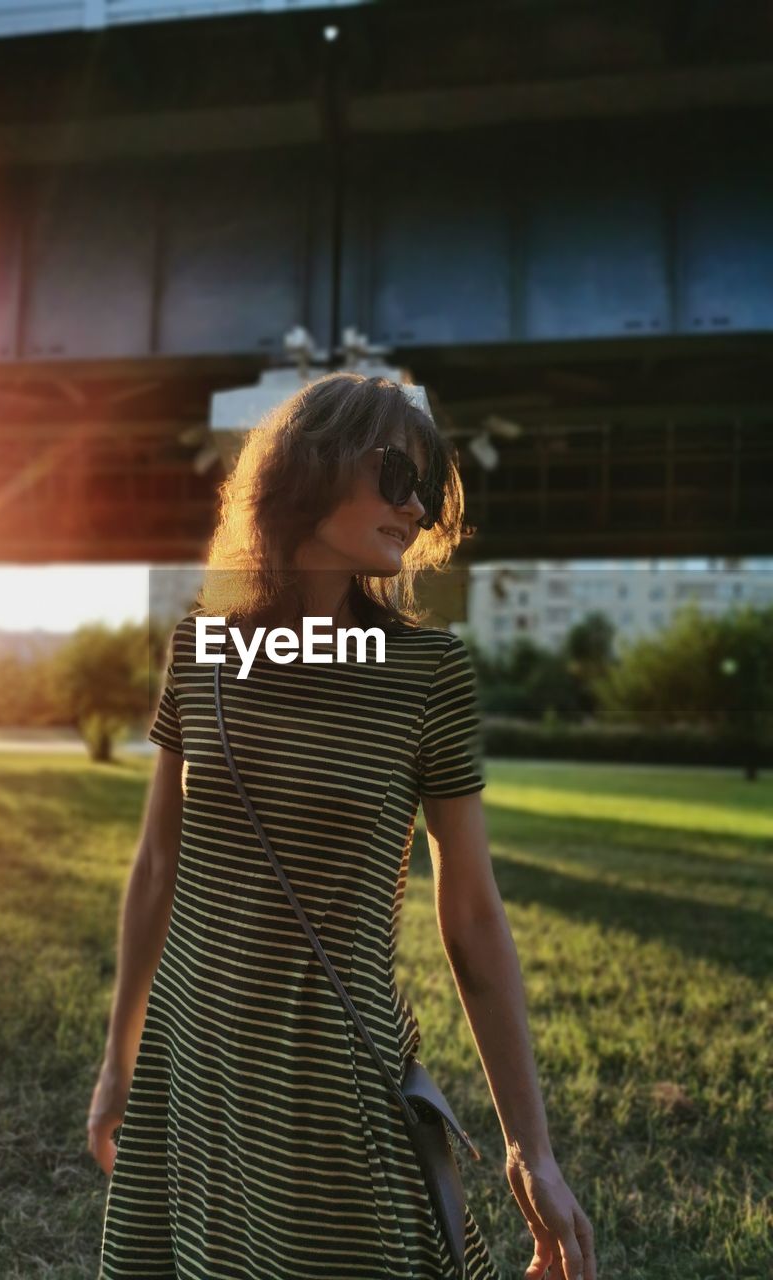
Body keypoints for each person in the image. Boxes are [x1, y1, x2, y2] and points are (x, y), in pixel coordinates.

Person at [88, 373, 596, 1280]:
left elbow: (472, 917)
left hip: (334, 1081)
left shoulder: (427, 672)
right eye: (399, 475)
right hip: (195, 1064)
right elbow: (159, 866)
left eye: (431, 491)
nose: (418, 510)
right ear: (308, 465)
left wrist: (533, 1151)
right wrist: (121, 1063)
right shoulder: (200, 649)